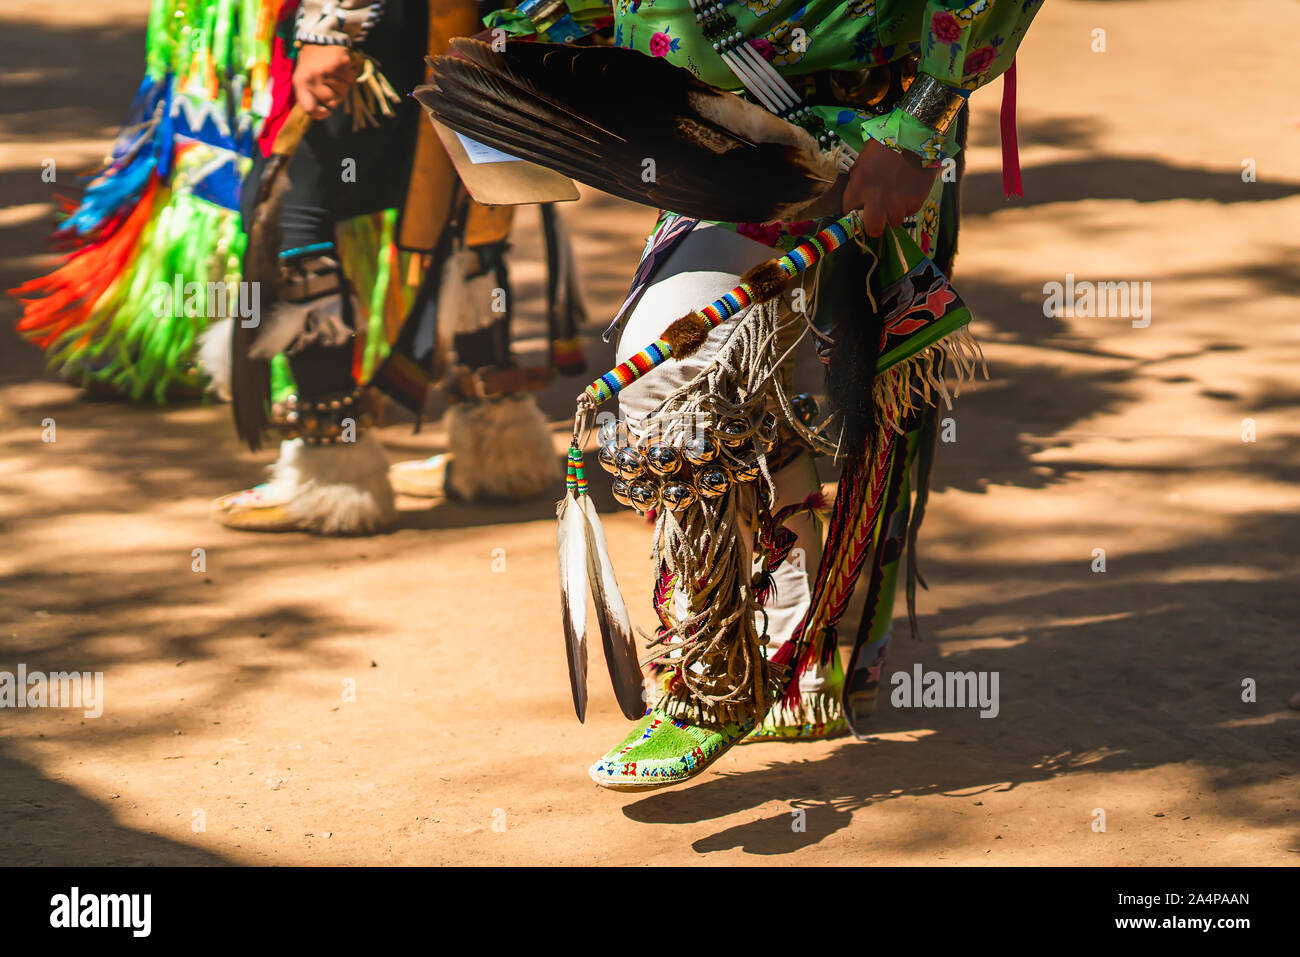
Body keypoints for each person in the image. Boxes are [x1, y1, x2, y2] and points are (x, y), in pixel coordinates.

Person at [482, 0, 1043, 788]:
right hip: (714, 150)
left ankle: (730, 673)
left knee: (676, 372)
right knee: (696, 378)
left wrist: (925, 118)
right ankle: (789, 649)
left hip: (857, 141)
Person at [213, 0, 588, 533]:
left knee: (294, 207)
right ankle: (500, 450)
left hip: (373, 23)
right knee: (467, 199)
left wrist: (330, 25)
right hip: (475, 16)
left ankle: (335, 476)